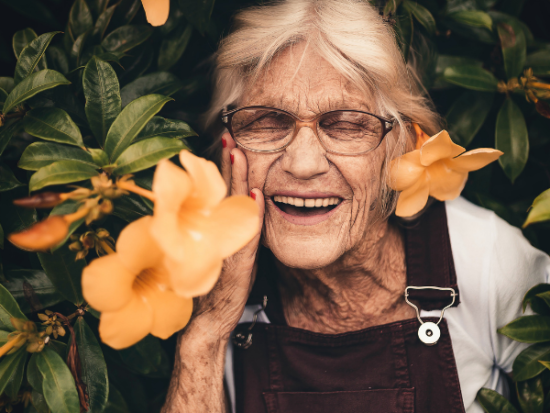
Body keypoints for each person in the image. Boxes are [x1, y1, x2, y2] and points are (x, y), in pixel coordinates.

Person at [161, 1, 550, 412]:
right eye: (268, 121)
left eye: (346, 124)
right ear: (230, 145)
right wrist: (207, 332)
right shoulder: (211, 281)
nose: (303, 164)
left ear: (399, 144)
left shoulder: (486, 262)